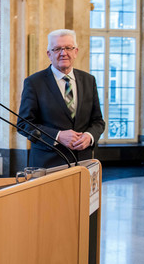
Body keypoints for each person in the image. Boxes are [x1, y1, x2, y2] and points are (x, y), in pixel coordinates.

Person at [17, 29, 105, 168]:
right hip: (48, 164)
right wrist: (57, 136)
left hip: (83, 163)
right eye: (57, 49)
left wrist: (89, 136)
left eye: (68, 48)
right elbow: (24, 124)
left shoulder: (89, 80)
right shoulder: (34, 82)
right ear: (49, 54)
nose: (63, 53)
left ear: (75, 52)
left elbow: (98, 121)